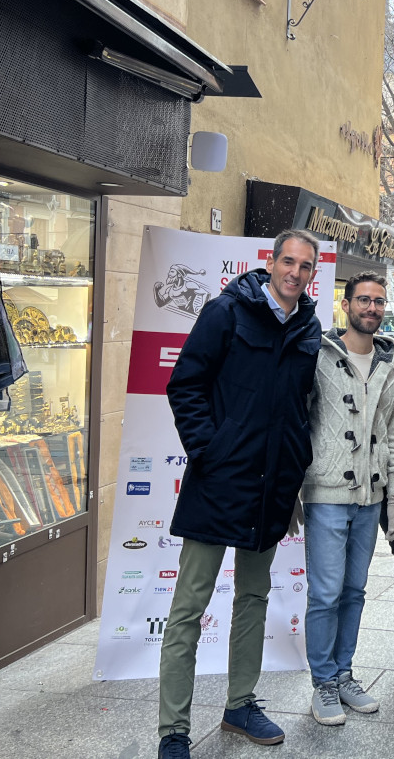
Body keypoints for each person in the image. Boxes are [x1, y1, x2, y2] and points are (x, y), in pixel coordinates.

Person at [157, 230, 322, 759]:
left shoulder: (309, 325)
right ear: (270, 264)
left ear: (312, 274)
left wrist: (295, 468)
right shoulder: (226, 312)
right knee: (189, 608)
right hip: (219, 482)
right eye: (287, 262)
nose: (294, 273)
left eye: (305, 266)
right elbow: (185, 384)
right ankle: (173, 731)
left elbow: (300, 404)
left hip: (272, 488)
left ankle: (239, 705)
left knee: (252, 599)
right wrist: (211, 449)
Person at [302, 272, 394, 725]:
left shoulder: (393, 366)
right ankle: (322, 682)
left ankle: (344, 674)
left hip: (371, 496)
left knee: (354, 590)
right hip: (326, 493)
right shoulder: (317, 358)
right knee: (325, 593)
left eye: (378, 301)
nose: (371, 307)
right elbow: (297, 421)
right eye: (363, 300)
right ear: (346, 306)